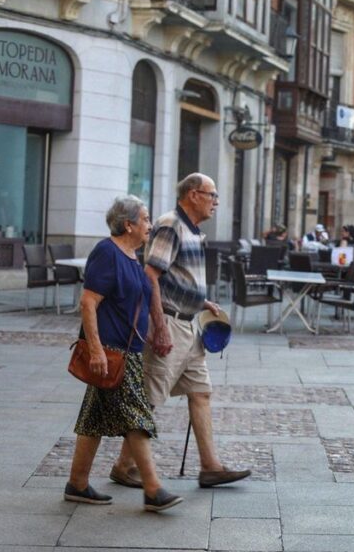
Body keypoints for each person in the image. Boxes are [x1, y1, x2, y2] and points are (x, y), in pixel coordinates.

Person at [113, 174, 250, 490]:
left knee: (200, 392)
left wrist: (201, 300)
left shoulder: (193, 230)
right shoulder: (171, 224)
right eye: (212, 195)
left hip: (191, 324)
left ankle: (210, 467)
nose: (216, 201)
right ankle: (123, 465)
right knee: (150, 397)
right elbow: (151, 276)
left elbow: (176, 278)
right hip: (171, 324)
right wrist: (158, 326)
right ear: (193, 194)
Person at [65, 195, 183, 512]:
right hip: (111, 351)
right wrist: (96, 350)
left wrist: (156, 331)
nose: (151, 224)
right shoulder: (108, 252)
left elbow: (138, 303)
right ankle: (153, 489)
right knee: (136, 417)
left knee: (93, 418)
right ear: (128, 224)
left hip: (128, 350)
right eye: (145, 219)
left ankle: (77, 484)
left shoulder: (132, 255)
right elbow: (88, 303)